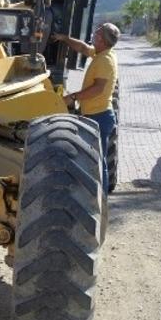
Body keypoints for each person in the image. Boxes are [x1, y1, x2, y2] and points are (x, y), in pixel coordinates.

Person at [53, 22, 121, 193]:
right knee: (94, 159)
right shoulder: (101, 53)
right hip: (94, 114)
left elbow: (98, 89)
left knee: (98, 161)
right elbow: (83, 48)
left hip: (99, 117)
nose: (94, 35)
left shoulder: (105, 60)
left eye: (97, 33)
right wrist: (65, 38)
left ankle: (101, 197)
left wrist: (73, 97)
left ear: (102, 40)